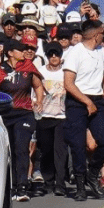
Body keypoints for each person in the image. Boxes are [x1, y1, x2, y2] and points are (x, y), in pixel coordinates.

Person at [63, 20, 104, 201]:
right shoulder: (75, 52)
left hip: (97, 98)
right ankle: (79, 185)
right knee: (78, 145)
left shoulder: (101, 52)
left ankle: (92, 174)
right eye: (102, 33)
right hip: (78, 100)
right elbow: (68, 83)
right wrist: (86, 102)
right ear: (95, 35)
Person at [0, 40, 44, 202]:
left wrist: (39, 101)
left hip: (25, 113)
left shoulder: (28, 67)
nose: (24, 52)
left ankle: (22, 186)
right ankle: (11, 186)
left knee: (22, 147)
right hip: (6, 114)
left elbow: (38, 86)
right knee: (11, 150)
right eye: (20, 50)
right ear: (10, 52)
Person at [36, 42, 67, 196]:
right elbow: (34, 91)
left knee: (60, 151)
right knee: (46, 151)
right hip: (44, 116)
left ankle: (60, 183)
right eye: (51, 54)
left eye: (57, 54)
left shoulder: (66, 73)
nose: (54, 57)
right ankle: (48, 181)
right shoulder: (40, 72)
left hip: (62, 116)